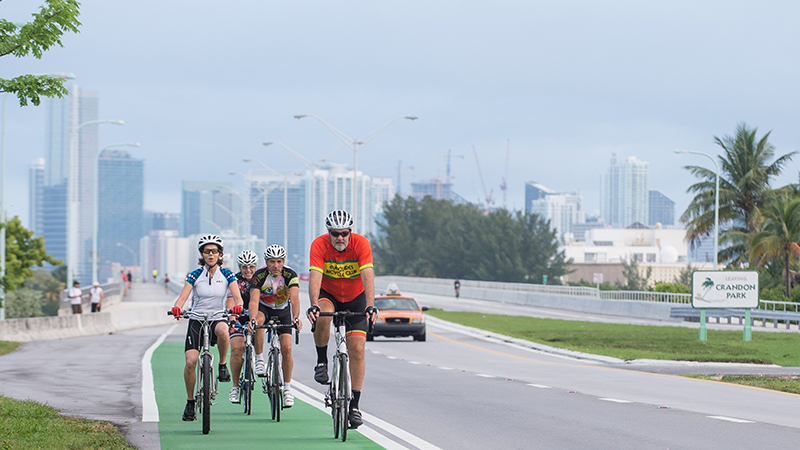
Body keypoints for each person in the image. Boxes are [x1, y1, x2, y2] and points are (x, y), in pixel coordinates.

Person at [306, 210, 377, 429]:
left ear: (350, 232)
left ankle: (354, 406)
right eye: (335, 233)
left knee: (357, 350)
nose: (340, 238)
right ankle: (321, 361)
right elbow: (315, 277)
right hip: (330, 295)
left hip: (355, 299)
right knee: (324, 314)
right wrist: (314, 304)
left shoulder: (361, 244)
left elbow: (368, 276)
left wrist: (371, 305)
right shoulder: (318, 245)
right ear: (328, 232)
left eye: (344, 233)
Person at [170, 234, 244, 422]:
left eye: (214, 251)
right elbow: (182, 298)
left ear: (220, 254)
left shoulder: (227, 275)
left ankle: (221, 366)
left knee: (223, 331)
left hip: (217, 317)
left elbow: (238, 298)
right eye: (206, 251)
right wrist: (177, 308)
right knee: (190, 362)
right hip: (196, 319)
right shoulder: (195, 275)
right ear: (202, 254)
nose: (210, 255)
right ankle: (189, 402)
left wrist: (236, 307)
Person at [249, 244, 302, 408]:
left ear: (283, 261)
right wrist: (252, 319)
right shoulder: (259, 275)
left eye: (279, 261)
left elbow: (294, 299)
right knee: (258, 321)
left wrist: (296, 317)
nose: (276, 265)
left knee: (286, 348)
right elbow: (253, 300)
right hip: (264, 308)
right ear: (266, 262)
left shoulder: (290, 274)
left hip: (283, 311)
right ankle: (259, 359)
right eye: (272, 262)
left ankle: (287, 389)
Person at [227, 249, 259, 403]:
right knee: (236, 349)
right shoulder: (234, 280)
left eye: (251, 266)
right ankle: (234, 387)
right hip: (238, 317)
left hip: (256, 317)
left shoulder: (261, 279)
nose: (248, 270)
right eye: (244, 267)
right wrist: (232, 318)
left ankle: (259, 360)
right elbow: (230, 301)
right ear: (239, 267)